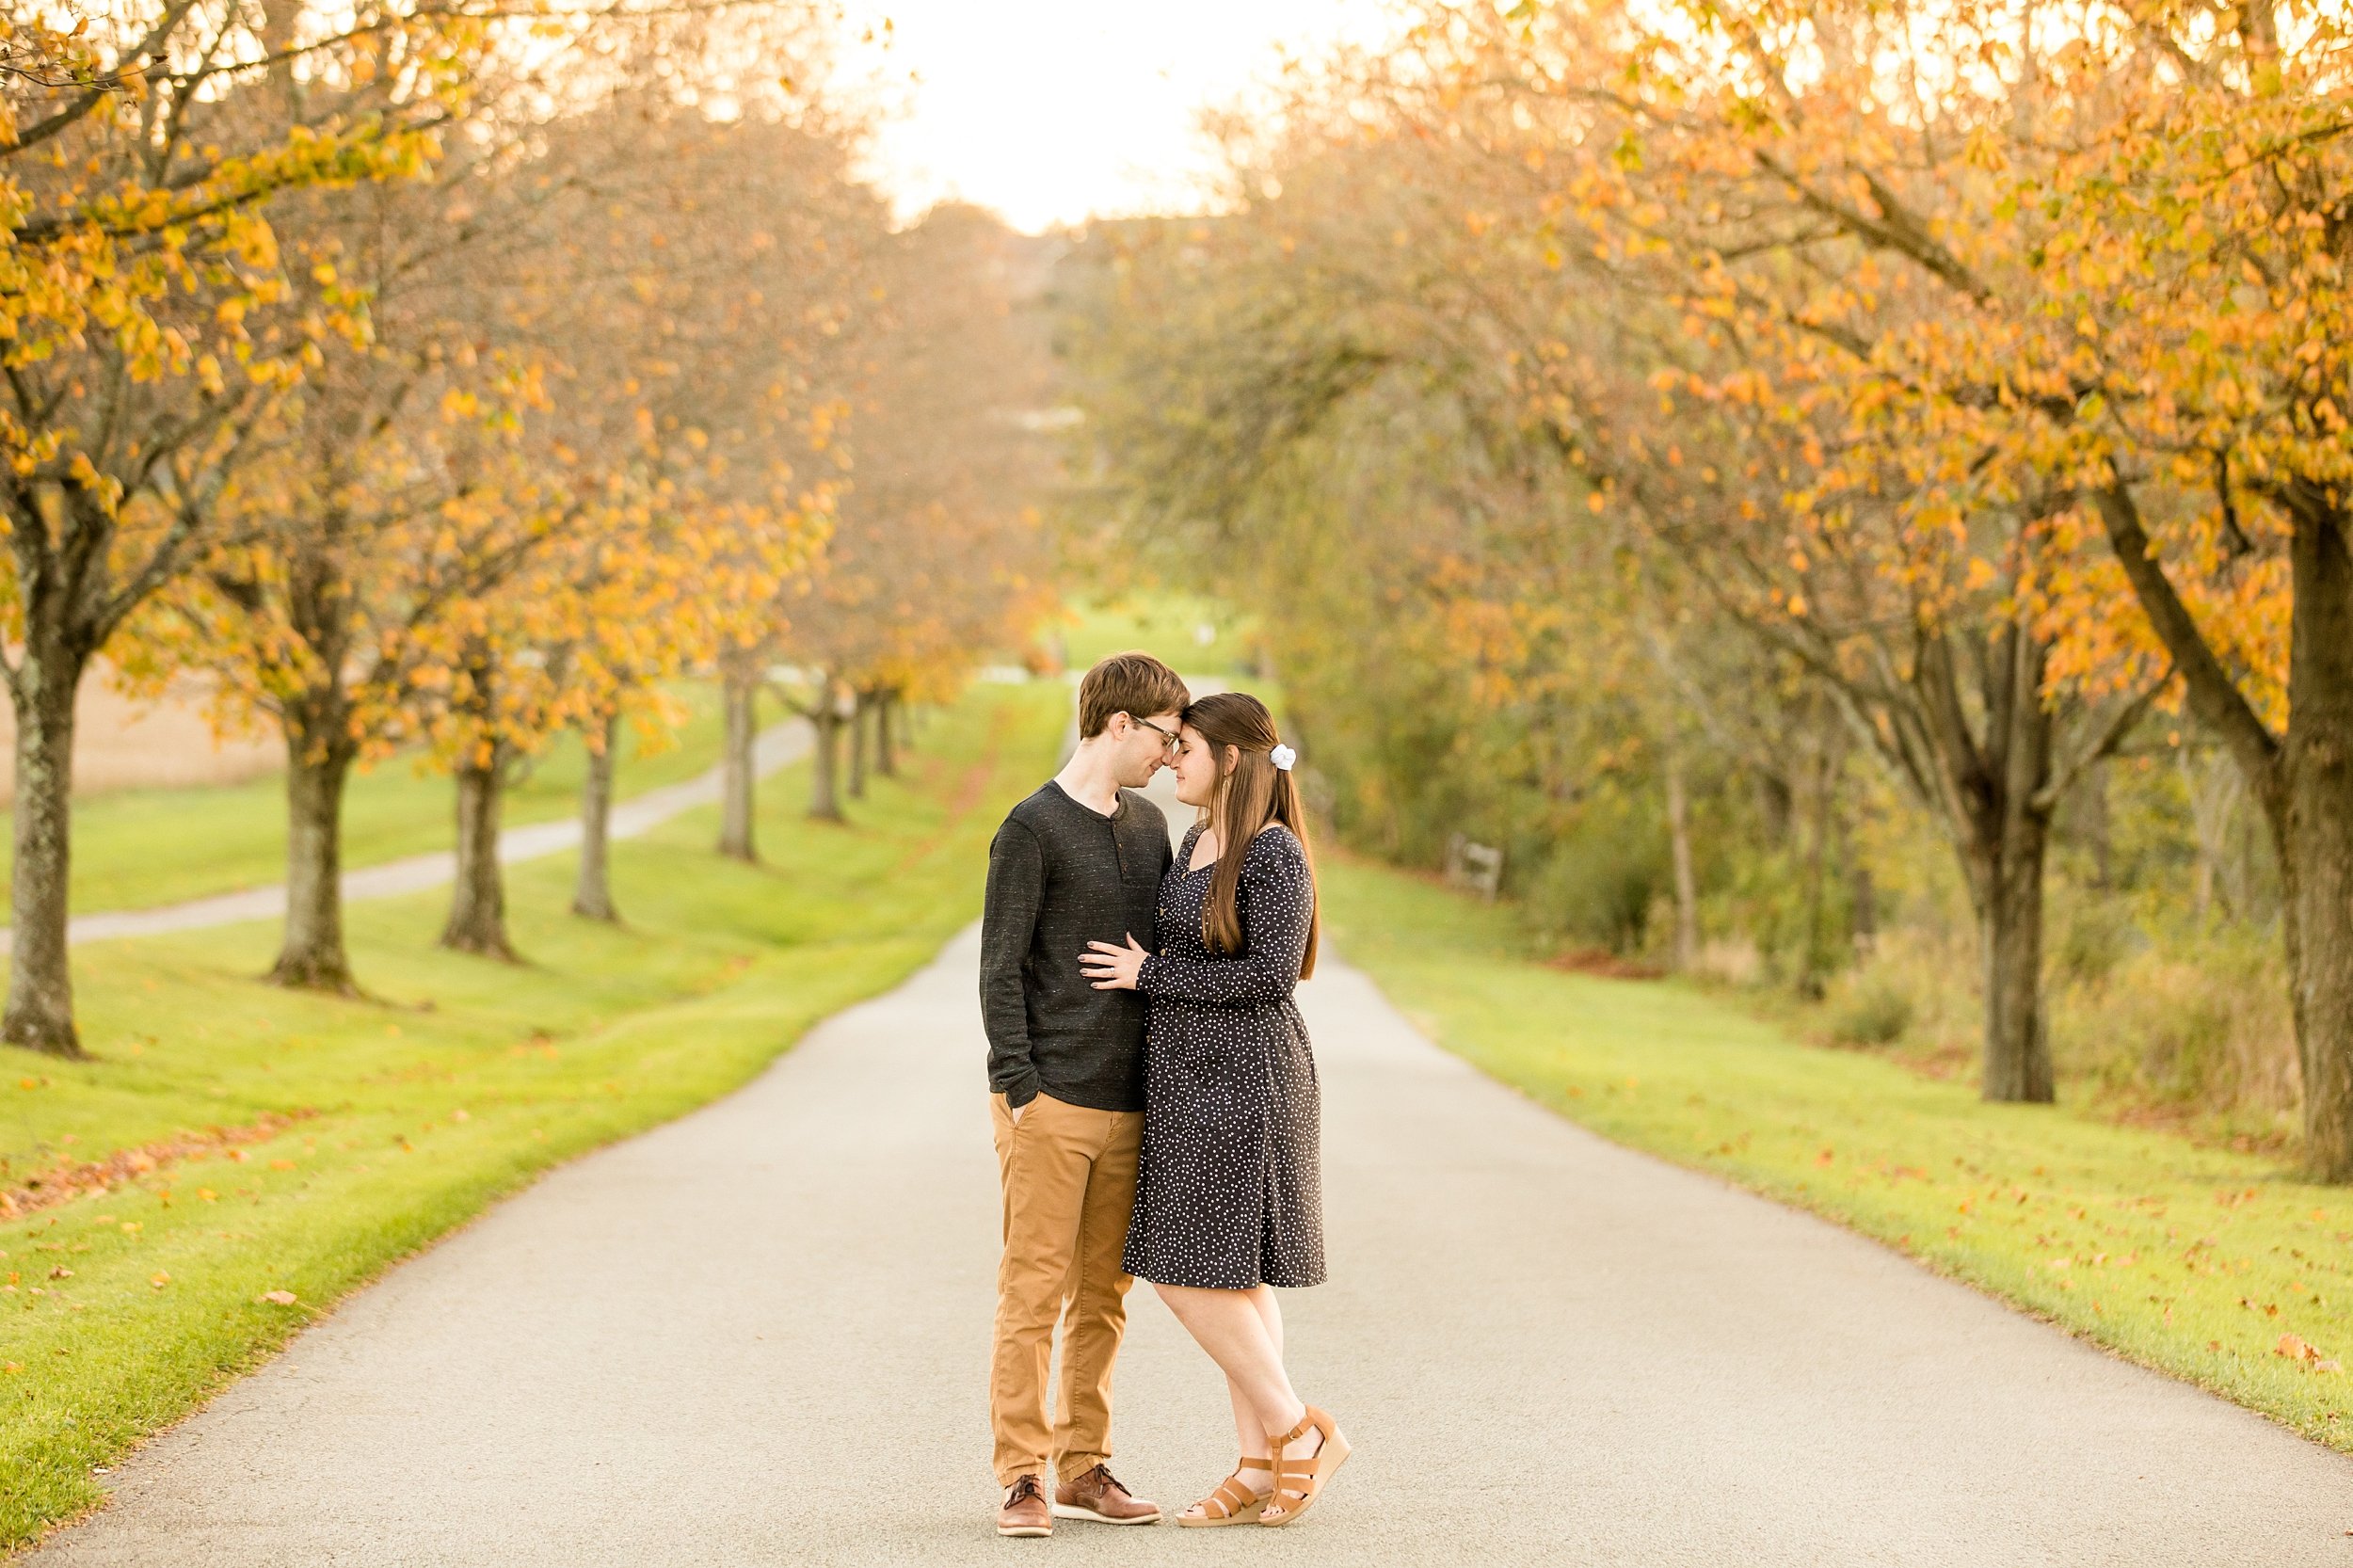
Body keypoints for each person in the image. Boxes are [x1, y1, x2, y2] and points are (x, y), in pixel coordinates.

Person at [1080, 691, 1349, 1529]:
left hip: (1249, 1082)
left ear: (1230, 759)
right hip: (1188, 1080)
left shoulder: (1274, 855)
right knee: (1229, 1272)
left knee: (1178, 1266)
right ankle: (1259, 1464)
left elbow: (1270, 976)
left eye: (1186, 747)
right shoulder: (1197, 839)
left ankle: (1298, 1430)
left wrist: (1148, 975)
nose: (1172, 761)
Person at [979, 650, 1191, 1539]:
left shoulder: (1148, 829)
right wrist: (1020, 1089)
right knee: (1033, 1294)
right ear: (1118, 725)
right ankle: (1022, 1476)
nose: (1173, 757)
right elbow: (999, 971)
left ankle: (1082, 1467)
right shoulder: (1031, 828)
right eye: (1166, 737)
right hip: (1052, 1102)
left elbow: (1169, 953)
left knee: (1104, 1297)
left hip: (1130, 1105)